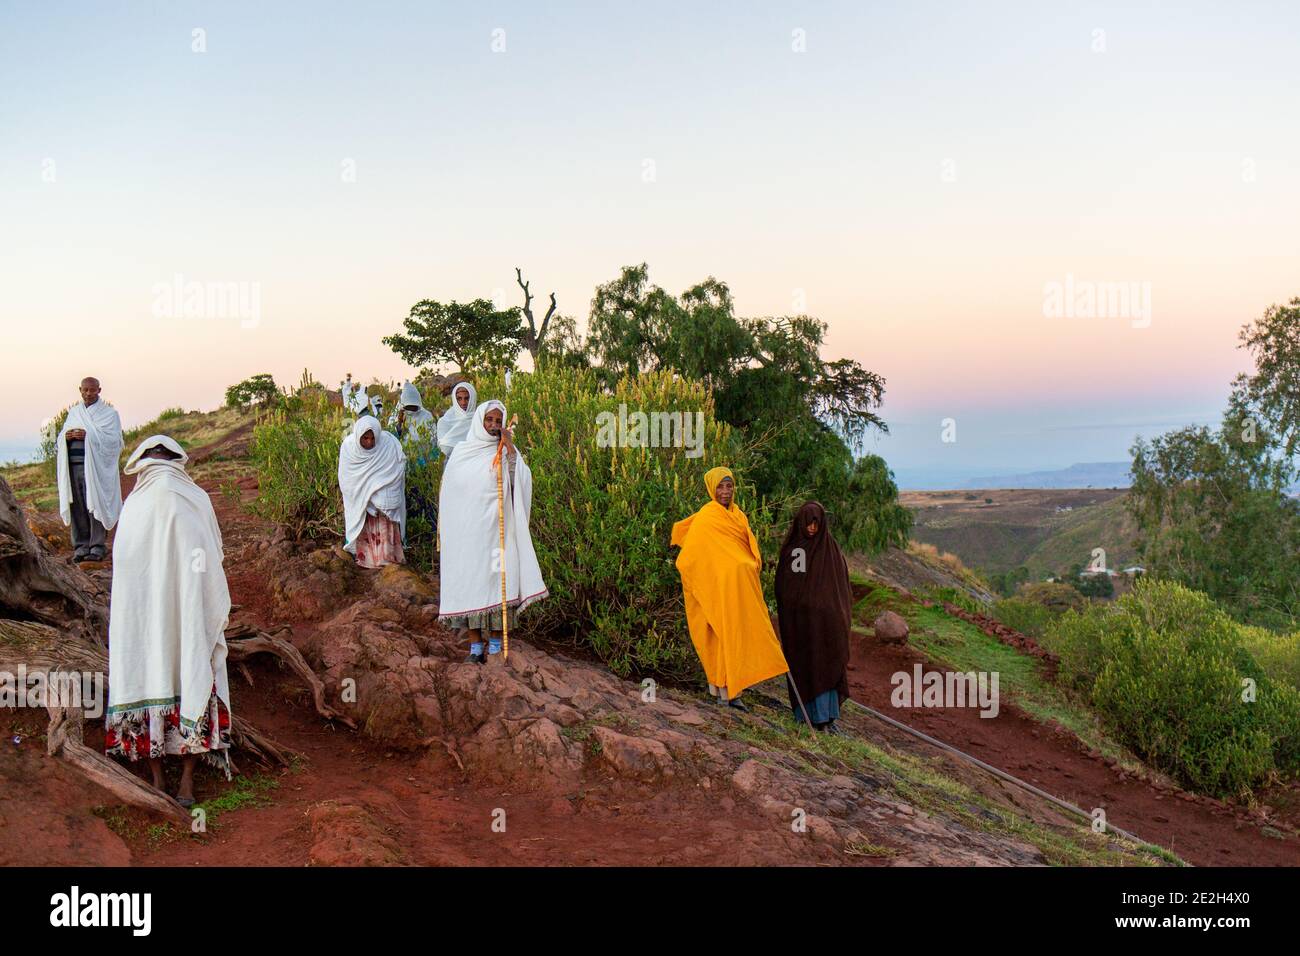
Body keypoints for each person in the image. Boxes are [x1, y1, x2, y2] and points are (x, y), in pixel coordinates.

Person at [105, 435, 232, 807]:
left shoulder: (136, 505)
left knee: (152, 676)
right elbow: (211, 559)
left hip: (143, 624)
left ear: (142, 462)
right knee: (191, 667)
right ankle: (187, 783)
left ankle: (159, 780)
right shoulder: (193, 498)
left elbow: (127, 570)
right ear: (177, 460)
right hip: (187, 613)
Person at [670, 467, 789, 711]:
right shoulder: (707, 517)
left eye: (729, 486)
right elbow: (688, 559)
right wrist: (718, 576)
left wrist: (742, 567)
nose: (725, 491)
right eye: (720, 487)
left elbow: (749, 555)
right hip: (715, 592)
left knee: (735, 637)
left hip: (737, 591)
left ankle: (733, 692)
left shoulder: (739, 516)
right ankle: (724, 694)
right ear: (711, 489)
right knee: (721, 638)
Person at [438, 400, 547, 664]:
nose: (494, 426)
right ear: (480, 421)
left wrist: (509, 448)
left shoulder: (506, 450)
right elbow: (451, 493)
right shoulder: (463, 452)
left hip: (498, 532)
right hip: (469, 535)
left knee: (498, 582)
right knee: (472, 583)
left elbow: (519, 480)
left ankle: (496, 644)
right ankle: (476, 646)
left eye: (499, 421)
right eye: (490, 420)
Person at [775, 501, 853, 734]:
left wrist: (836, 613)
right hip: (801, 625)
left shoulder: (830, 549)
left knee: (827, 665)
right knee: (806, 665)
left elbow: (842, 587)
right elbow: (788, 587)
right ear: (800, 522)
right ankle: (808, 715)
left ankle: (828, 717)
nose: (811, 528)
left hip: (828, 624)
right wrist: (805, 607)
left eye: (816, 523)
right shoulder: (795, 551)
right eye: (808, 523)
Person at [56, 376, 124, 563]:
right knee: (76, 505)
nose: (88, 393)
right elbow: (61, 437)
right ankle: (80, 547)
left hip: (95, 469)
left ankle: (97, 546)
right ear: (80, 390)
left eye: (92, 390)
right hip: (74, 467)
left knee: (95, 504)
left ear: (99, 390)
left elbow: (114, 442)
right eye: (85, 390)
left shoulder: (109, 414)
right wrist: (66, 437)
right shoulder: (74, 413)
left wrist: (89, 435)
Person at [338, 415, 406, 568]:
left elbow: (396, 471)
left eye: (372, 438)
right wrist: (366, 494)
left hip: (383, 502)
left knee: (383, 510)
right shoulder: (349, 448)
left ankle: (386, 558)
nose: (369, 442)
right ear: (358, 436)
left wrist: (375, 492)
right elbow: (346, 479)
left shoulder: (388, 444)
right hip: (363, 503)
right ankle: (366, 560)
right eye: (365, 438)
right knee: (365, 516)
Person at [436, 380, 478, 460]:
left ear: (473, 398)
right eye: (459, 398)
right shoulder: (444, 422)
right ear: (454, 400)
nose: (463, 403)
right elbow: (445, 448)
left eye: (467, 398)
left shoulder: (480, 418)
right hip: (451, 464)